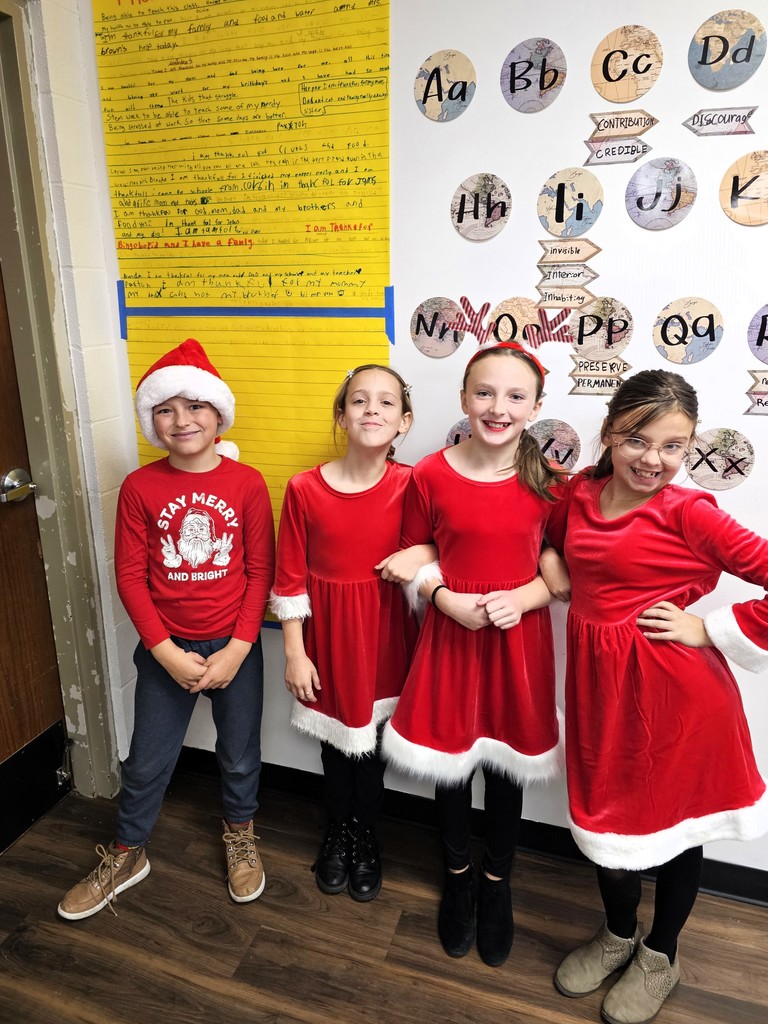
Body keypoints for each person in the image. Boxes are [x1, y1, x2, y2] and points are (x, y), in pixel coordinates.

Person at [546, 369, 768, 1024]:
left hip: (675, 696)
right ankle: (618, 935)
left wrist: (714, 628)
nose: (654, 459)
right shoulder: (579, 495)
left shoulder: (691, 512)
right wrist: (553, 565)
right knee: (606, 819)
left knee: (675, 832)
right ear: (611, 432)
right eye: (639, 439)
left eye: (673, 445)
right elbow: (548, 537)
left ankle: (660, 954)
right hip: (599, 690)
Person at [58, 338, 275, 919]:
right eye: (165, 409)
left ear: (218, 414)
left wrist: (238, 647)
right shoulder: (139, 487)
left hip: (235, 648)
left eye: (195, 406)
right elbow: (130, 576)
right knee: (148, 757)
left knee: (238, 753)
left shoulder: (248, 484)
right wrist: (164, 651)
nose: (181, 420)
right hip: (164, 650)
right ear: (152, 420)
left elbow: (260, 571)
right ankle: (128, 852)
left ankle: (240, 834)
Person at [382, 342, 565, 967]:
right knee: (452, 765)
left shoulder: (547, 481)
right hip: (453, 637)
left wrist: (528, 596)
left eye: (515, 396)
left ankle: (496, 882)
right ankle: (457, 876)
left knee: (506, 768)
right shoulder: (429, 474)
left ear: (535, 407)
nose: (498, 407)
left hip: (517, 643)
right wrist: (441, 597)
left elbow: (561, 569)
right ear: (463, 399)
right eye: (484, 393)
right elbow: (413, 556)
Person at [269, 364, 426, 902]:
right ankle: (337, 831)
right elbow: (288, 578)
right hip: (329, 638)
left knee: (375, 748)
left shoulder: (412, 485)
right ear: (341, 415)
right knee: (336, 750)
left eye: (386, 403)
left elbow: (438, 546)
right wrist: (294, 653)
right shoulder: (304, 489)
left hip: (387, 636)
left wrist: (420, 554)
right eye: (359, 401)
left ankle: (366, 836)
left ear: (404, 422)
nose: (372, 410)